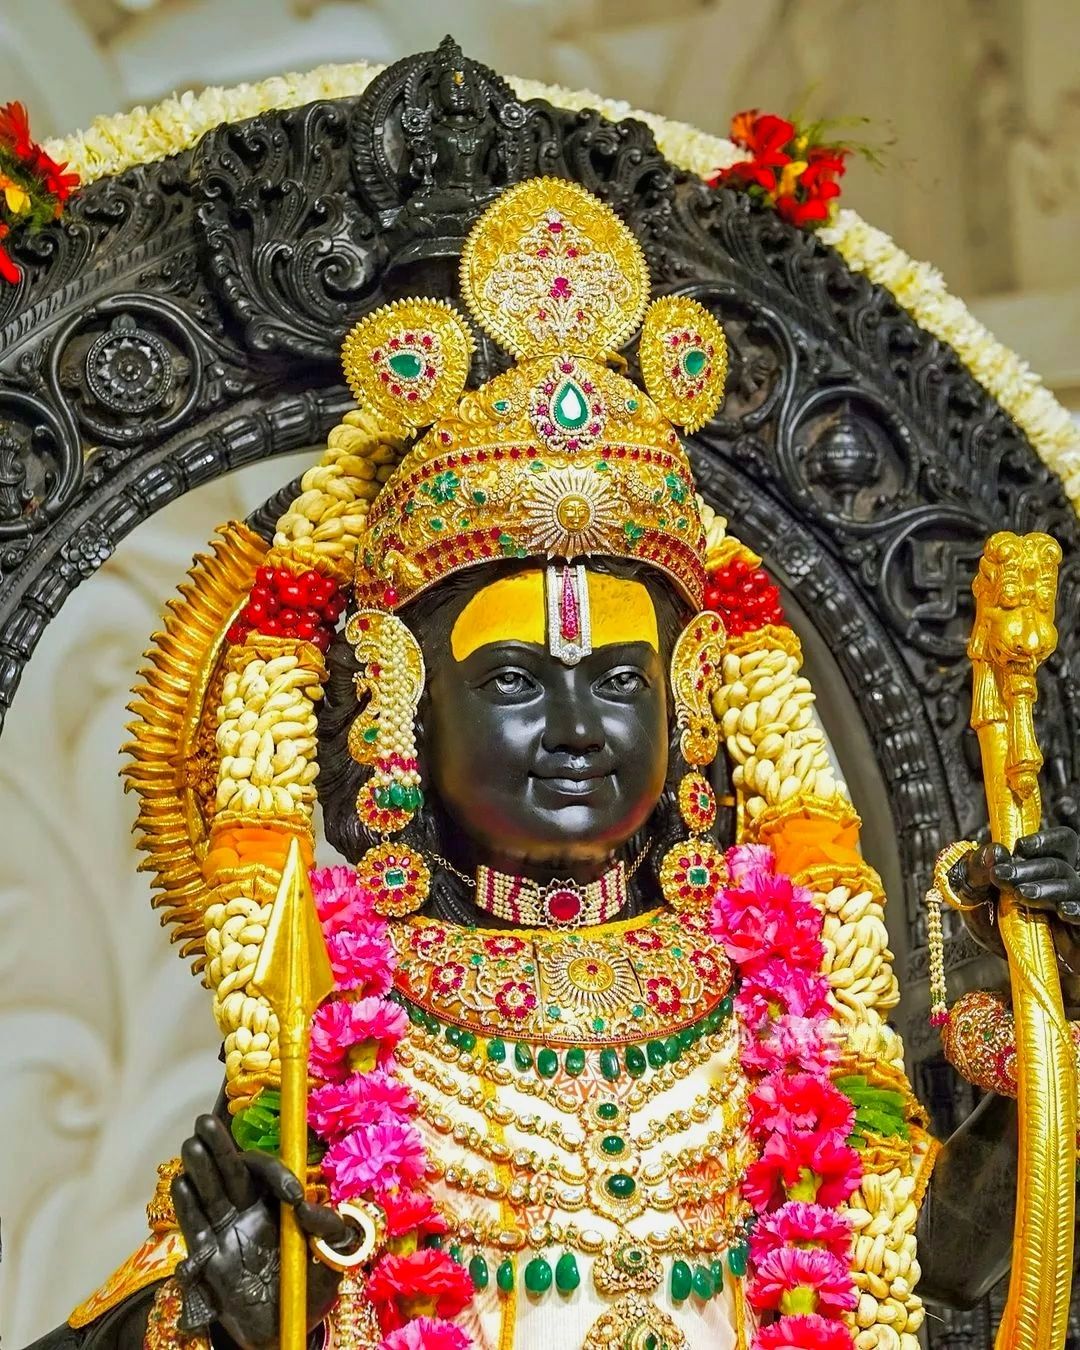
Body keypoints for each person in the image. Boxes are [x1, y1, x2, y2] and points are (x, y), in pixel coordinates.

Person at [27, 178, 1080, 1350]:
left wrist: (1040, 1031)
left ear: (689, 705)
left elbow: (925, 1280)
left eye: (622, 680)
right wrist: (226, 1323)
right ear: (402, 710)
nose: (580, 726)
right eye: (519, 680)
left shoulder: (770, 1012)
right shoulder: (342, 1036)